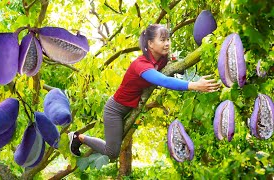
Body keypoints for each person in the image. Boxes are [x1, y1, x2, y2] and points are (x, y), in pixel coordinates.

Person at [68, 24, 220, 159]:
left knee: (115, 145)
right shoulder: (141, 65)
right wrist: (194, 85)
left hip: (131, 105)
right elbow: (163, 80)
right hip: (115, 110)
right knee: (112, 152)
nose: (167, 43)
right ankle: (78, 137)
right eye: (162, 40)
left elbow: (169, 66)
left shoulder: (162, 58)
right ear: (150, 43)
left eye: (168, 39)